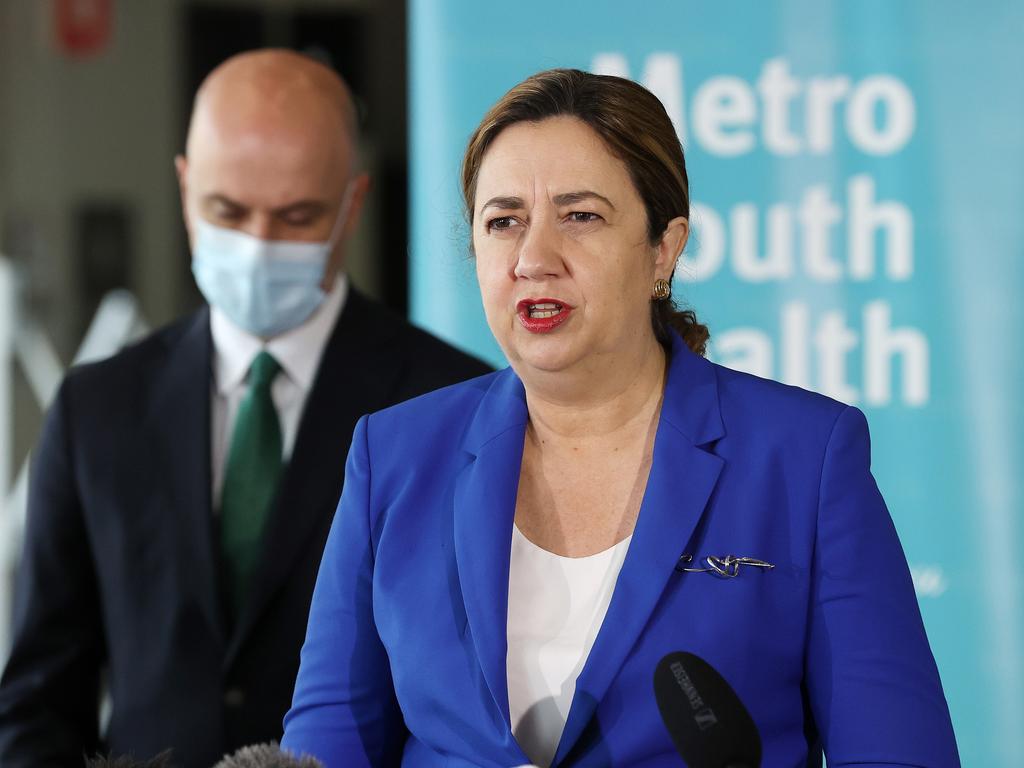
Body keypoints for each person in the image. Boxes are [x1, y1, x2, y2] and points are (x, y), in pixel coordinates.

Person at [281, 68, 960, 767]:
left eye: (581, 216)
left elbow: (898, 752)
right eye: (503, 221)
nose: (534, 259)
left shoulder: (804, 458)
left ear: (663, 249)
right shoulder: (392, 455)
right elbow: (328, 741)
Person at [0, 49, 490, 768]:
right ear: (184, 186)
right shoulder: (97, 409)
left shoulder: (452, 402)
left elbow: (473, 694)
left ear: (351, 205)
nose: (258, 247)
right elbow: (37, 700)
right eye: (228, 211)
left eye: (297, 216)